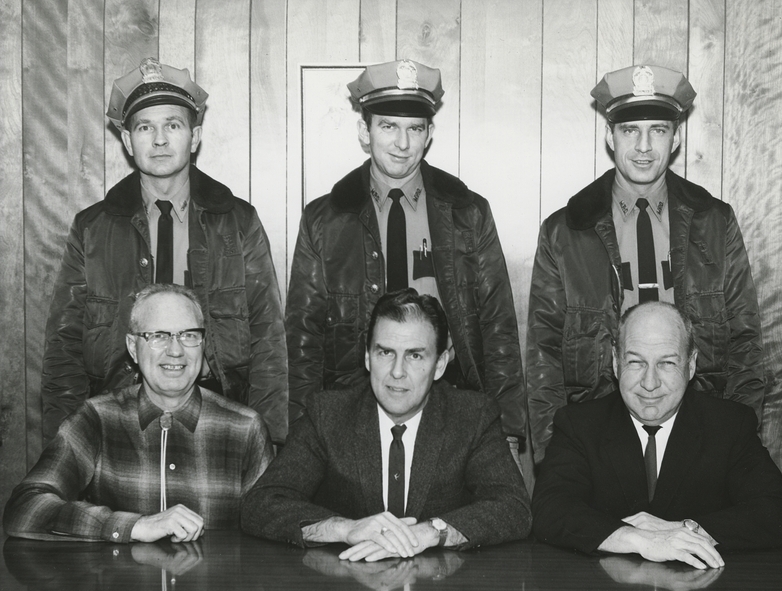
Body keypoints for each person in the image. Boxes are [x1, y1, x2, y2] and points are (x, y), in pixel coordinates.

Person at [286, 59, 526, 461]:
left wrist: (510, 429)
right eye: (388, 126)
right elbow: (303, 337)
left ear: (429, 134)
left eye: (414, 129)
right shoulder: (324, 219)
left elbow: (497, 326)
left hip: (451, 401)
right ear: (365, 131)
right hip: (353, 406)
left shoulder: (468, 213)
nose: (402, 143)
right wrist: (303, 434)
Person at [41, 58, 287, 444]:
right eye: (144, 127)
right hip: (117, 424)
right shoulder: (92, 229)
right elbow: (64, 348)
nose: (159, 140)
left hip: (219, 419)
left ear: (195, 136)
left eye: (172, 125)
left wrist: (271, 443)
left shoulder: (238, 222)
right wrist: (65, 447)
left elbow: (268, 339)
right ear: (126, 141)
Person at [527, 64, 763, 463]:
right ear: (609, 135)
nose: (643, 146)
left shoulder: (715, 222)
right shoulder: (565, 230)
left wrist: (737, 443)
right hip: (595, 429)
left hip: (700, 425)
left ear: (675, 139)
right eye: (630, 130)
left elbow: (745, 343)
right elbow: (543, 353)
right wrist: (557, 457)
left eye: (658, 130)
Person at [242, 289, 531, 561]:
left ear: (440, 364)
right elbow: (261, 504)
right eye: (385, 352)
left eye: (415, 355)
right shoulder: (327, 415)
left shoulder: (472, 417)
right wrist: (345, 529)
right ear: (368, 356)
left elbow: (514, 508)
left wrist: (433, 532)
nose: (396, 372)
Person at [531, 302, 782, 569]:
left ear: (691, 365)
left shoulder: (728, 425)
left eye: (667, 363)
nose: (650, 383)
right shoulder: (580, 425)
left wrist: (683, 530)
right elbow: (549, 508)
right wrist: (635, 538)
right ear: (615, 362)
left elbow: (778, 514)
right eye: (636, 362)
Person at [5, 284, 273, 542]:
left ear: (204, 344)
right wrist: (132, 526)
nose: (176, 350)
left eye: (189, 335)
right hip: (120, 588)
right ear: (133, 347)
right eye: (158, 336)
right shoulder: (97, 418)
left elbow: (269, 531)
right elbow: (25, 508)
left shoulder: (245, 428)